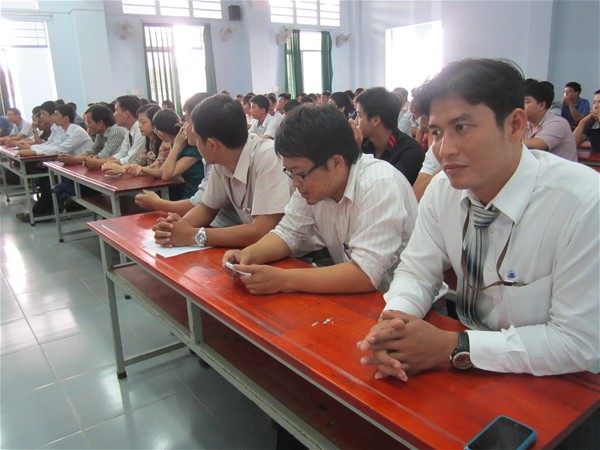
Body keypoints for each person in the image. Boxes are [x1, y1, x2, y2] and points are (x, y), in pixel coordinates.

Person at [358, 58, 599, 381]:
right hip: (467, 366)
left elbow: (578, 340)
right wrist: (395, 324)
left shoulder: (583, 203)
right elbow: (417, 271)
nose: (444, 150)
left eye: (462, 128)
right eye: (436, 132)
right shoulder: (443, 191)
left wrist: (455, 347)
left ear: (514, 125)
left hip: (556, 380)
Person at [222, 104, 418, 295]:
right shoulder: (315, 183)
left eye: (300, 174)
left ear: (335, 163)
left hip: (400, 302)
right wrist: (248, 254)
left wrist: (282, 279)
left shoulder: (379, 184)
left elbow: (365, 274)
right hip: (353, 296)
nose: (294, 184)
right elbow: (288, 232)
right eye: (289, 172)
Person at [151, 94, 292, 248]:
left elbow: (261, 231)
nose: (195, 143)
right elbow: (206, 208)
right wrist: (174, 229)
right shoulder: (221, 161)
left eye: (197, 139)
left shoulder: (269, 157)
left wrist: (193, 235)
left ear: (212, 145)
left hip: (297, 254)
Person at [15, 104, 93, 222]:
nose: (53, 117)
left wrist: (34, 151)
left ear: (65, 118)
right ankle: (45, 211)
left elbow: (60, 149)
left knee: (48, 181)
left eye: (56, 115)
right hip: (71, 167)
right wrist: (32, 149)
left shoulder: (77, 131)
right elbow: (52, 145)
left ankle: (40, 214)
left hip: (83, 169)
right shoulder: (63, 130)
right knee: (46, 179)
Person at [104, 108, 204, 199]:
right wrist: (140, 168)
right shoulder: (173, 143)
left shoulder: (190, 149)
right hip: (186, 192)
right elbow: (160, 171)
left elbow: (166, 175)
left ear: (161, 131)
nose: (140, 126)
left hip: (195, 195)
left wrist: (176, 146)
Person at [352, 87, 423, 185]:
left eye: (359, 116)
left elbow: (387, 186)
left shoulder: (409, 150)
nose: (355, 121)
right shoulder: (362, 141)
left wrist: (357, 152)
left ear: (375, 120)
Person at [82, 95, 145, 170]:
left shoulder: (140, 131)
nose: (113, 114)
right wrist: (97, 161)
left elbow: (130, 160)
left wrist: (98, 163)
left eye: (116, 111)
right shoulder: (129, 131)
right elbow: (120, 154)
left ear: (126, 114)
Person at [523, 80, 577, 161]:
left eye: (526, 102)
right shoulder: (526, 123)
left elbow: (538, 144)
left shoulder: (558, 123)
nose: (520, 105)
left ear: (541, 105)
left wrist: (507, 141)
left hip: (560, 169)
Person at [57, 104, 126, 165]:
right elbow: (92, 151)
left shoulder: (116, 131)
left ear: (100, 122)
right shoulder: (100, 133)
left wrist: (75, 160)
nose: (88, 126)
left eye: (89, 122)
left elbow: (102, 156)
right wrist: (73, 158)